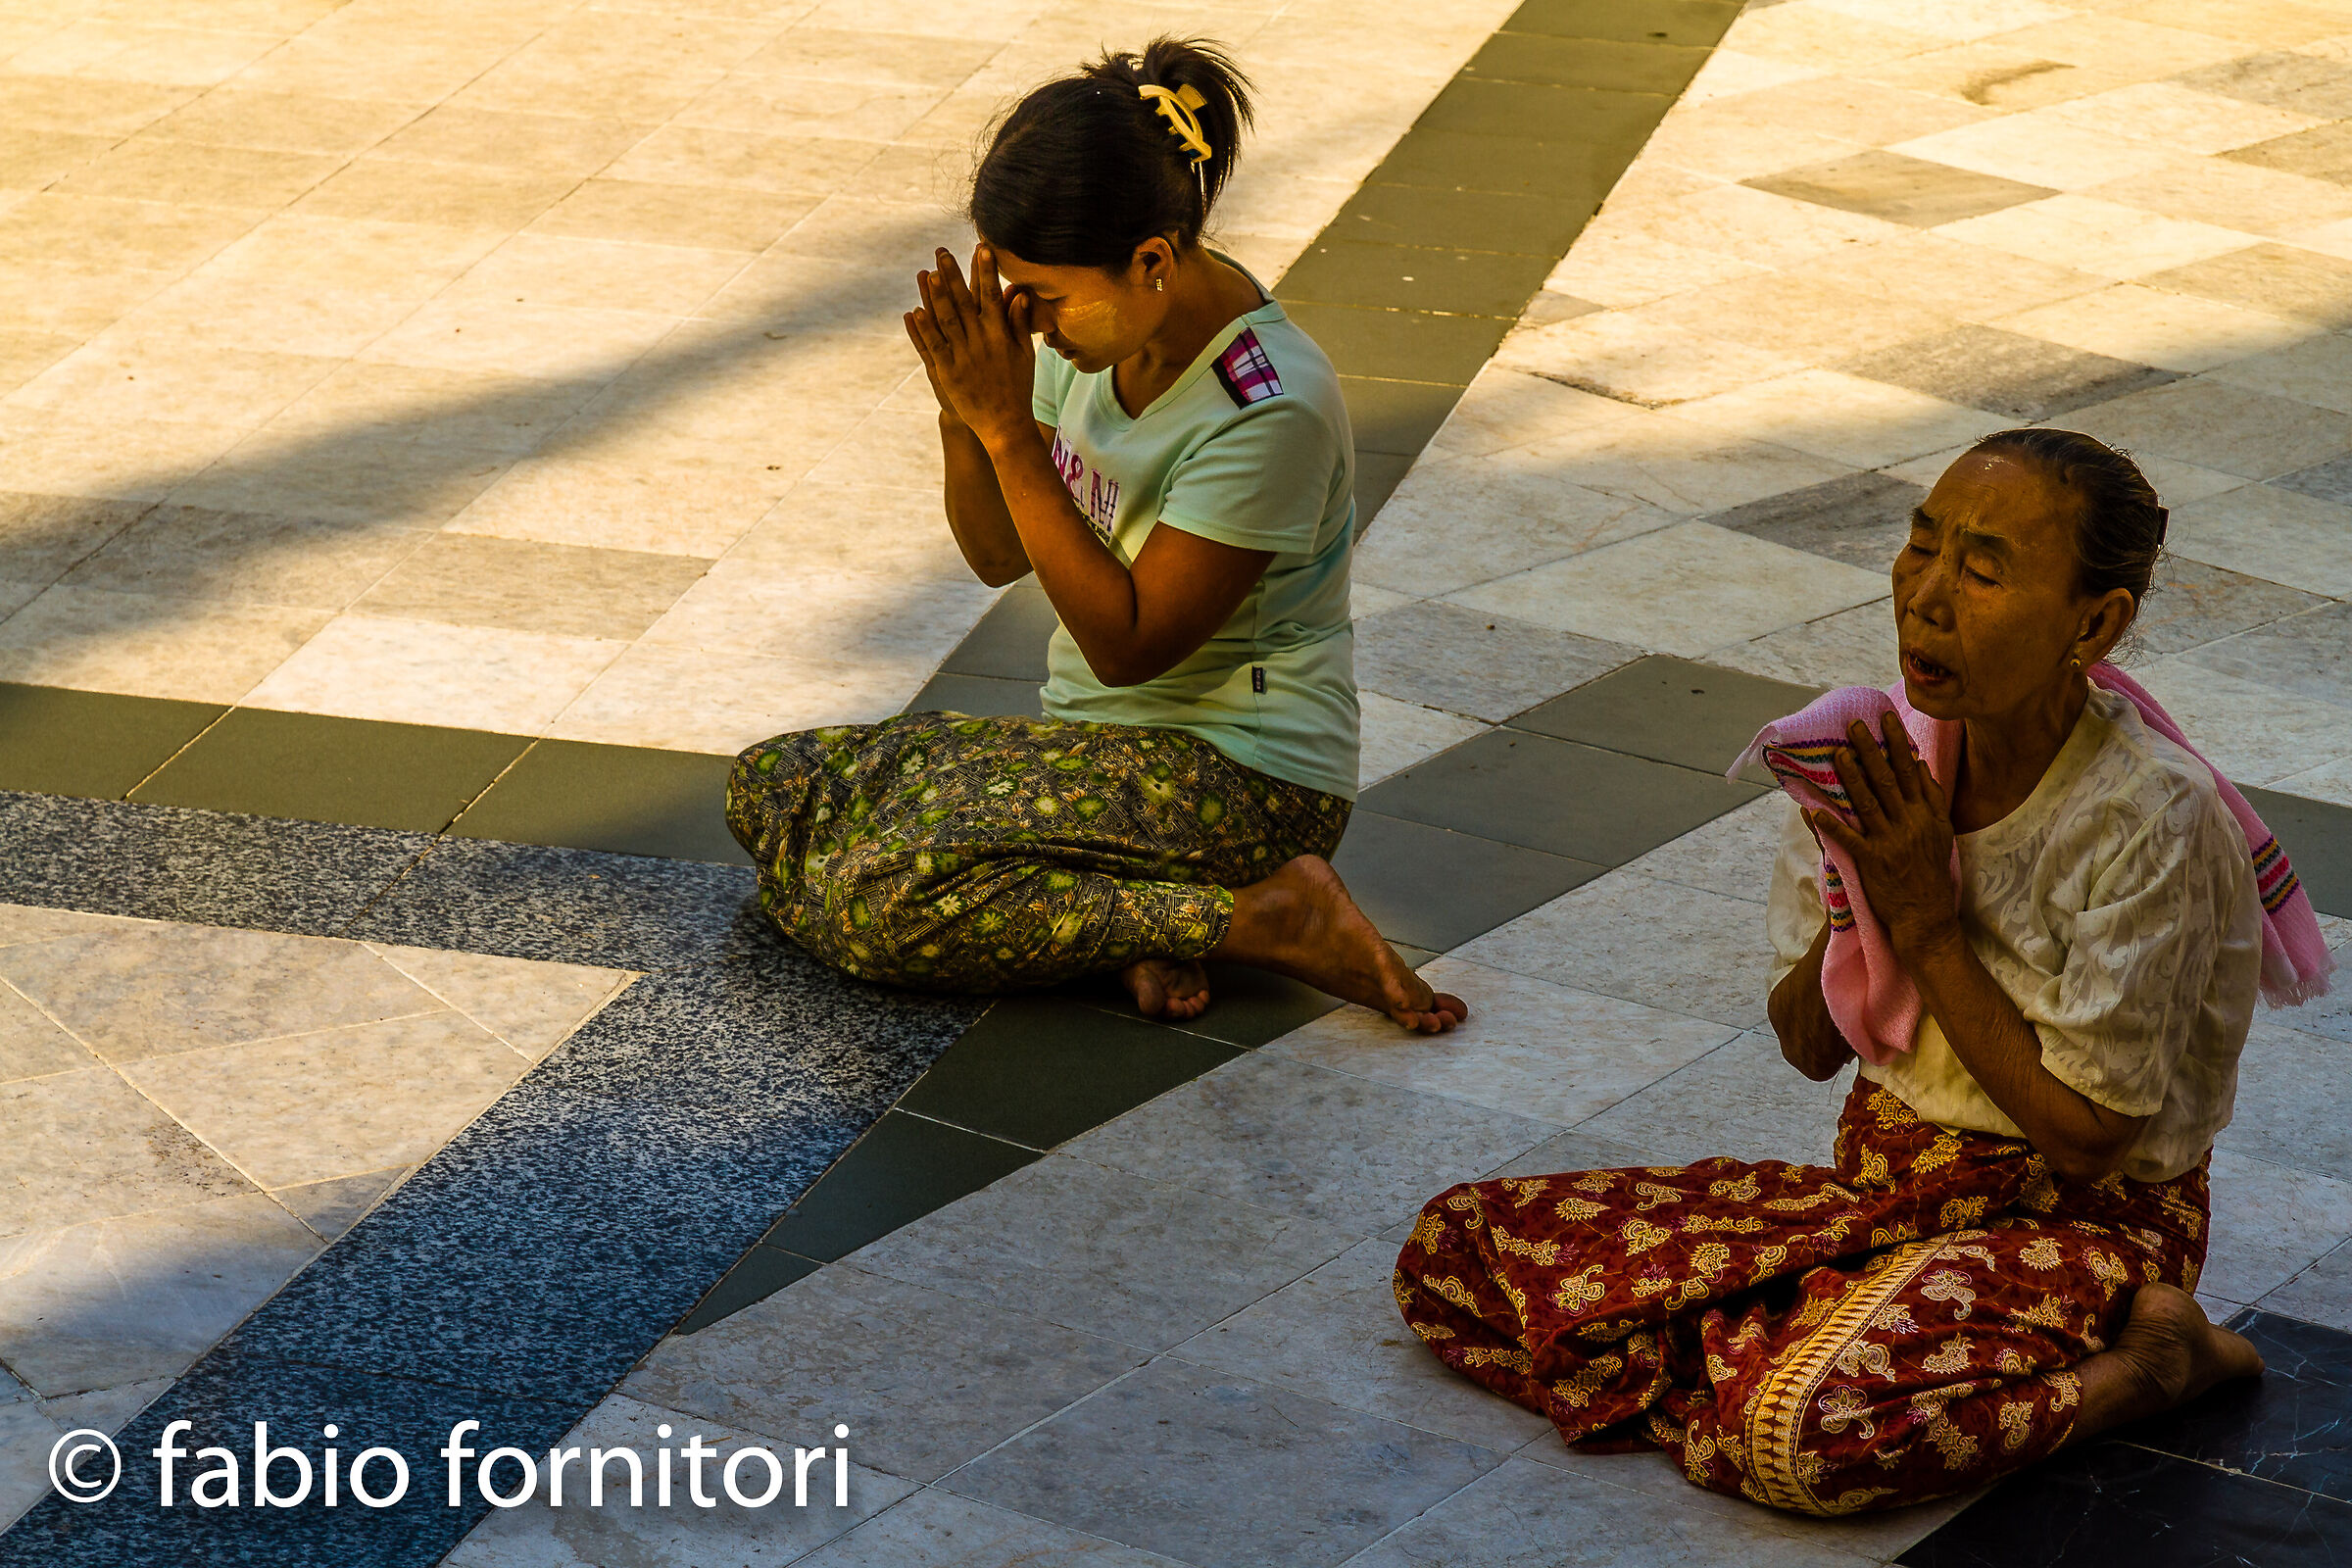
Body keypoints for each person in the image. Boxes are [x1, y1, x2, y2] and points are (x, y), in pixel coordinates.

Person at [1393, 429, 2300, 1516]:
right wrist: (1852, 882)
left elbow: (2091, 1136)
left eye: (1982, 569)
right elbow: (1811, 1046)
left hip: (2075, 1224)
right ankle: (1782, 1349)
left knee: (1810, 1438)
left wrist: (1924, 922)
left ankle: (2149, 1365)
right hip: (1883, 1197)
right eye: (1921, 547)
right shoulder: (1873, 758)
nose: (1925, 595)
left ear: (2093, 623)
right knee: (1456, 1250)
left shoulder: (2149, 815)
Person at [726, 38, 1465, 1033]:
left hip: (1243, 782)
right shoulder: (1096, 325)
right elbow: (996, 555)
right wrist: (963, 410)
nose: (1028, 324)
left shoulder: (1267, 405)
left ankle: (1264, 915)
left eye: (1047, 296)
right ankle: (1137, 928)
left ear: (1153, 260)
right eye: (1014, 293)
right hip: (1096, 757)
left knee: (878, 895)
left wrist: (1007, 431)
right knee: (775, 786)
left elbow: (1125, 647)